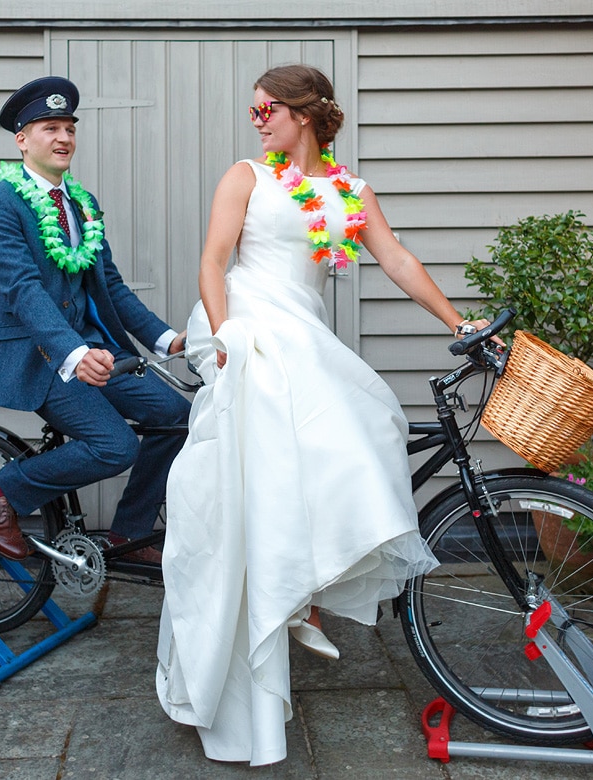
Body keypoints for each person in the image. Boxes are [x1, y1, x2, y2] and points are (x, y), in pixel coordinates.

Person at [155, 64, 490, 765]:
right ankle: (287, 599)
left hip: (301, 333)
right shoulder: (246, 175)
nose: (256, 119)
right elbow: (212, 263)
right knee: (273, 466)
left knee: (365, 432)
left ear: (304, 113)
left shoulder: (349, 191)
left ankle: (303, 589)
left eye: (266, 108)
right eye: (252, 109)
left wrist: (458, 320)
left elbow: (395, 258)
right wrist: (222, 340)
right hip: (248, 328)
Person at [0, 76, 191, 564]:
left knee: (177, 418)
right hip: (40, 358)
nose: (64, 137)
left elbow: (110, 287)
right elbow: (22, 288)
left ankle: (126, 535)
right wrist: (73, 352)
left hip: (95, 352)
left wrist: (170, 340)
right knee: (115, 447)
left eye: (70, 127)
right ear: (22, 139)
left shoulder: (83, 206)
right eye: (50, 127)